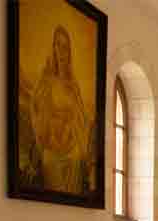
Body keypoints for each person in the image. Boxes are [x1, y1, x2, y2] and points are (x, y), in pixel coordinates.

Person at [30, 25, 92, 194]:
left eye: (65, 46)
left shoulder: (73, 85)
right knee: (49, 164)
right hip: (52, 147)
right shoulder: (47, 79)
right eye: (58, 45)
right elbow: (36, 107)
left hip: (71, 151)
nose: (61, 51)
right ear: (53, 47)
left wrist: (72, 125)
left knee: (76, 160)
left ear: (69, 51)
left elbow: (82, 119)